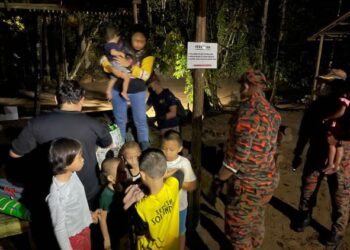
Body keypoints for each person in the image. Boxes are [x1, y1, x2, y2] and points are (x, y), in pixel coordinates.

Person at [10, 80, 112, 208]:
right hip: (87, 190)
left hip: (52, 190)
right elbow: (108, 144)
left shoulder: (37, 124)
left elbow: (14, 154)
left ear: (55, 99)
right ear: (82, 100)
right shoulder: (95, 124)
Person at [214, 69, 281, 250]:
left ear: (245, 86)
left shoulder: (247, 111)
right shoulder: (272, 112)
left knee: (238, 233)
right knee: (256, 221)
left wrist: (220, 177)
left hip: (247, 185)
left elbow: (239, 155)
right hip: (268, 180)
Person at [293, 68, 350, 246]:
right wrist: (298, 153)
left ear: (335, 86)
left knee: (340, 194)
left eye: (325, 83)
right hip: (316, 154)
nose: (320, 85)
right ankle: (304, 216)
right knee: (308, 186)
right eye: (321, 81)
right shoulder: (315, 106)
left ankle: (338, 231)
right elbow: (304, 132)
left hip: (342, 158)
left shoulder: (345, 106)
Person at [101, 26, 155, 150]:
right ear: (130, 38)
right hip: (117, 90)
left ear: (146, 41)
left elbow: (145, 76)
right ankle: (120, 148)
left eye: (142, 41)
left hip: (138, 91)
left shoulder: (148, 55)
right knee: (120, 120)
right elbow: (104, 59)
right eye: (136, 40)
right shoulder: (120, 46)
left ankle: (144, 147)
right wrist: (110, 68)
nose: (138, 43)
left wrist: (129, 65)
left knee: (140, 120)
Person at [123, 149, 184, 250]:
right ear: (165, 171)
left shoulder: (141, 208)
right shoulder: (173, 186)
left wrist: (139, 185)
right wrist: (163, 174)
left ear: (142, 175)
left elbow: (139, 236)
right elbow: (179, 172)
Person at [46, 138, 97, 250]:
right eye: (79, 157)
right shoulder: (57, 195)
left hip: (84, 230)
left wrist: (87, 215)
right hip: (73, 239)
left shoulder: (73, 175)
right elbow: (59, 228)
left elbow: (77, 201)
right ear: (65, 163)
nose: (83, 160)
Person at [161, 130, 197, 250]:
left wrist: (174, 182)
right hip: (163, 207)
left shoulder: (184, 163)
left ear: (180, 148)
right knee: (164, 231)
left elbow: (192, 185)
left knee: (181, 231)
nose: (167, 152)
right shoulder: (159, 162)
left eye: (171, 149)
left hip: (180, 207)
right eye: (164, 148)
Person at [99, 157, 129, 250]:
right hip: (114, 232)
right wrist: (107, 239)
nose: (125, 173)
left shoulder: (122, 185)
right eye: (120, 171)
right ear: (111, 178)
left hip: (124, 228)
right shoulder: (106, 195)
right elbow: (102, 218)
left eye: (124, 169)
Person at [103, 25, 132, 101]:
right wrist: (120, 53)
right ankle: (124, 92)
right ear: (115, 36)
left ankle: (108, 91)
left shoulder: (106, 45)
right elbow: (112, 52)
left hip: (112, 64)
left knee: (113, 79)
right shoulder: (113, 45)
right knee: (127, 76)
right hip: (115, 63)